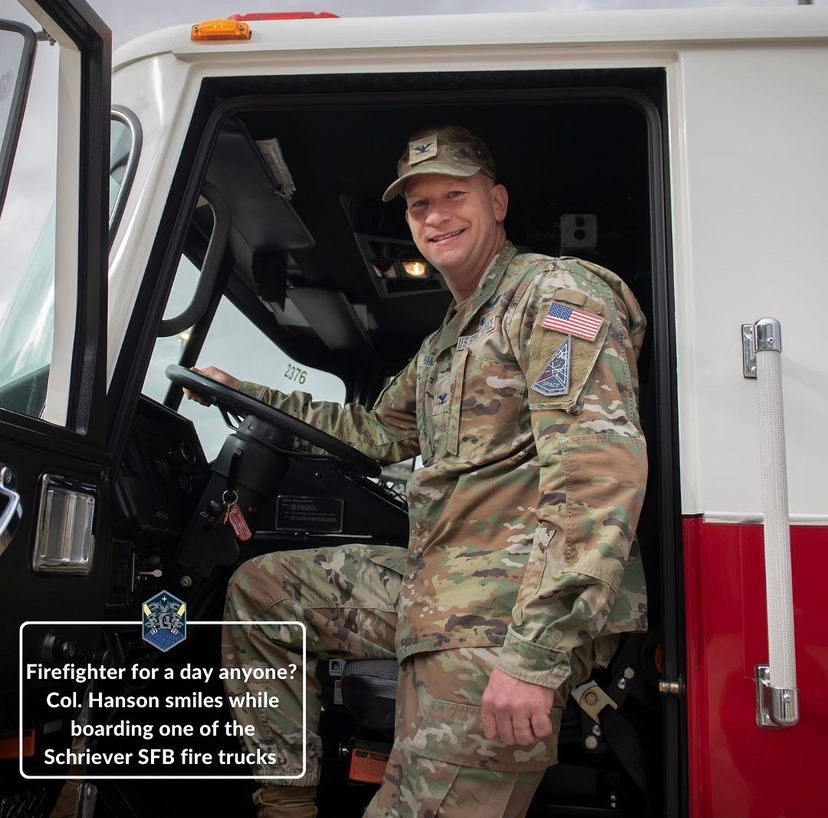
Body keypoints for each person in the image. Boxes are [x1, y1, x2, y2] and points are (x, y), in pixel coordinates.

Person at [187, 125, 648, 818]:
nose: (435, 217)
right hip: (445, 585)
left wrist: (533, 655)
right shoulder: (447, 341)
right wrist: (251, 396)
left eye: (452, 195)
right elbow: (374, 431)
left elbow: (597, 475)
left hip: (508, 612)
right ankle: (285, 804)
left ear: (496, 201)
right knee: (263, 591)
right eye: (418, 205)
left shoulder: (554, 298)